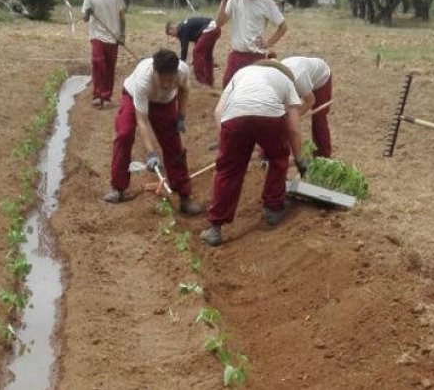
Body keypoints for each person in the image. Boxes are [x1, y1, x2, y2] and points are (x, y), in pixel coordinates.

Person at [200, 60, 307, 247]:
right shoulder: (285, 80)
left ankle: (215, 228)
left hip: (233, 118)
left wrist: (227, 144)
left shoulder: (241, 73)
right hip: (270, 117)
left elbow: (218, 112)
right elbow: (293, 127)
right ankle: (273, 209)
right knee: (278, 158)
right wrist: (299, 158)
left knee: (228, 170)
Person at [105, 49, 205, 215]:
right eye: (162, 79)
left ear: (175, 72)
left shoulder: (182, 71)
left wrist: (181, 115)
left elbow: (184, 90)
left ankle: (184, 196)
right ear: (155, 72)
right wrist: (151, 153)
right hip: (133, 97)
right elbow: (142, 121)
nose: (166, 84)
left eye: (170, 79)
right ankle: (118, 188)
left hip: (165, 103)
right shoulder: (144, 80)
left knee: (174, 144)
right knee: (124, 134)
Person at [215, 0, 287, 88]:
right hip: (237, 57)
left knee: (255, 92)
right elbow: (219, 23)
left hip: (257, 58)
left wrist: (268, 43)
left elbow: (283, 27)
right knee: (228, 88)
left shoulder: (266, 2)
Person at [82, 0, 126, 108]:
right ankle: (97, 95)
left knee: (109, 67)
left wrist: (122, 35)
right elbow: (85, 18)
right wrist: (87, 13)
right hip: (96, 35)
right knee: (97, 63)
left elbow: (121, 16)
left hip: (113, 36)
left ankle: (106, 97)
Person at [281, 56, 333, 158]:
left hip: (321, 80)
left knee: (319, 120)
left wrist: (296, 116)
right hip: (299, 78)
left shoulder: (299, 78)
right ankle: (276, 152)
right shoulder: (276, 77)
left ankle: (323, 156)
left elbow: (310, 101)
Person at [165, 16, 221, 86]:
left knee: (197, 52)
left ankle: (201, 81)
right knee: (207, 56)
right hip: (215, 28)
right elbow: (198, 38)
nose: (172, 36)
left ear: (172, 28)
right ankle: (209, 81)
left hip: (209, 29)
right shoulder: (183, 26)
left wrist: (182, 63)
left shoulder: (181, 29)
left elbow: (184, 48)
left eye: (170, 34)